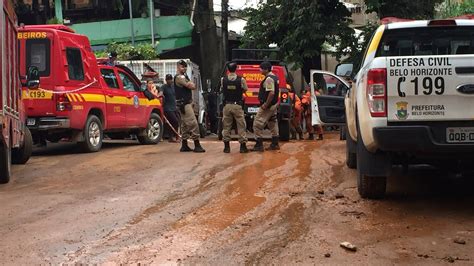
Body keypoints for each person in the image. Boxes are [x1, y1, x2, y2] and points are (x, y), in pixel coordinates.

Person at [174, 60, 205, 153]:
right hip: (184, 104)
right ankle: (197, 144)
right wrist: (191, 84)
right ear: (178, 67)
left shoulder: (184, 76)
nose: (184, 68)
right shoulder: (179, 77)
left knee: (184, 125)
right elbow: (191, 86)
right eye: (182, 67)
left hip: (184, 103)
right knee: (193, 123)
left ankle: (184, 145)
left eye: (185, 67)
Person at [220, 62, 249, 153]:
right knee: (241, 125)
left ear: (228, 69)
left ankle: (226, 147)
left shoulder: (223, 79)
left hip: (227, 105)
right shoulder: (241, 80)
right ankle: (243, 147)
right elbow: (245, 89)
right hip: (237, 106)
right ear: (236, 69)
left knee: (226, 125)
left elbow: (222, 89)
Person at [251, 61, 280, 152]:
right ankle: (275, 143)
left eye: (261, 68)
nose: (260, 70)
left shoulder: (269, 79)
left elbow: (271, 93)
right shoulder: (275, 77)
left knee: (256, 124)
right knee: (272, 122)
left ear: (266, 69)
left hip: (268, 106)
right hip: (273, 105)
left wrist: (265, 105)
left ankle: (259, 144)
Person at [160, 74, 180, 143]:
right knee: (175, 121)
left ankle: (172, 137)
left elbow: (176, 95)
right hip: (167, 108)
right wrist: (160, 94)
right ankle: (175, 136)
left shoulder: (173, 87)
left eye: (170, 79)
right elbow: (160, 93)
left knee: (174, 122)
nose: (169, 81)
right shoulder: (164, 87)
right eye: (168, 79)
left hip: (174, 107)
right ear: (166, 80)